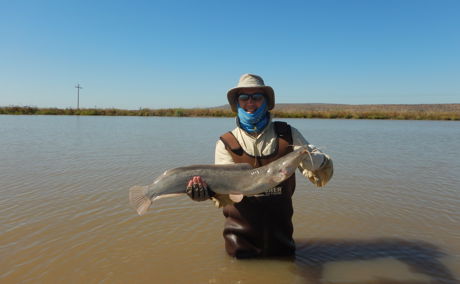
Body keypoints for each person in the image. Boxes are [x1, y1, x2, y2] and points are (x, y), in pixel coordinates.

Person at [186, 74, 333, 259]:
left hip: (282, 238)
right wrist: (207, 193)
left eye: (257, 97)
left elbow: (320, 176)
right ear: (237, 103)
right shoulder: (226, 143)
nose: (250, 102)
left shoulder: (288, 134)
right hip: (240, 241)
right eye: (244, 97)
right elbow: (224, 197)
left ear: (266, 101)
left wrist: (319, 162)